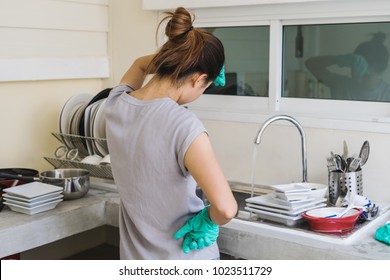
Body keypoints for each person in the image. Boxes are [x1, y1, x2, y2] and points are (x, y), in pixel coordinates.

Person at [104, 7, 238, 260]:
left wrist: (175, 59)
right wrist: (208, 221)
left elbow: (139, 64)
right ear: (199, 79)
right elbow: (226, 208)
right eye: (205, 87)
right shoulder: (184, 125)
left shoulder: (115, 103)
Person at [305, 32, 390, 101]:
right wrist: (339, 59)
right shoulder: (340, 84)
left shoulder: (387, 94)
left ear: (379, 73)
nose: (358, 80)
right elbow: (310, 64)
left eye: (365, 76)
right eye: (356, 72)